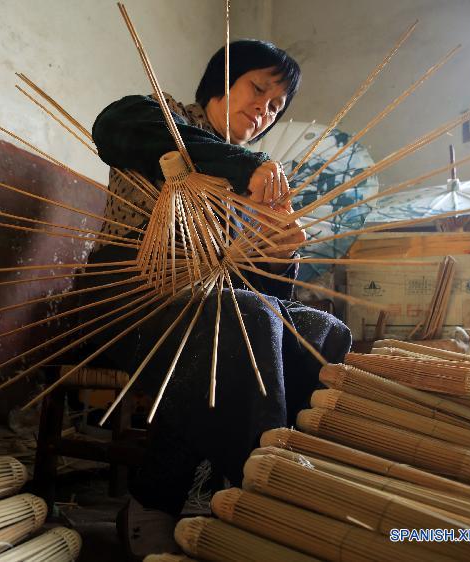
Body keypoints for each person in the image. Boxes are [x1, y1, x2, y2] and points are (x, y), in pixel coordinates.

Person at [81, 40, 352, 559]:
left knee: (321, 331)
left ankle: (252, 484)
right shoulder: (164, 120)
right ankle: (180, 502)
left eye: (276, 106)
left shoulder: (259, 187)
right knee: (234, 319)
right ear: (221, 81)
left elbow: (265, 299)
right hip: (128, 290)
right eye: (257, 89)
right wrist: (241, 164)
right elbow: (113, 123)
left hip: (213, 306)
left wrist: (279, 258)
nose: (263, 110)